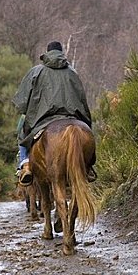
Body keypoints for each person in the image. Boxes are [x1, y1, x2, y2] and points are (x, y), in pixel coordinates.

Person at [12, 41, 96, 186]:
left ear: (47, 53)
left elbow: (21, 102)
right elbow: (81, 98)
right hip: (72, 116)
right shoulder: (72, 72)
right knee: (87, 133)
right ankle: (88, 168)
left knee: (22, 135)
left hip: (44, 119)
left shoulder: (35, 71)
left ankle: (25, 166)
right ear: (61, 53)